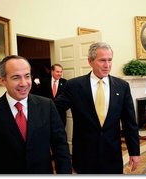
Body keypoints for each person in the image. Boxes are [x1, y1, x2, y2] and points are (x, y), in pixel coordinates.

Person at [0, 55, 72, 174]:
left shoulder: (47, 106)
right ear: (3, 80)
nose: (24, 83)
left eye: (27, 76)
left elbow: (60, 146)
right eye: (16, 77)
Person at [55, 42, 140, 174]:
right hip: (84, 157)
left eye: (110, 60)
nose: (107, 65)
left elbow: (130, 122)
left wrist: (134, 152)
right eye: (102, 61)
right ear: (90, 61)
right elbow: (53, 109)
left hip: (112, 156)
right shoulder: (74, 86)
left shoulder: (122, 86)